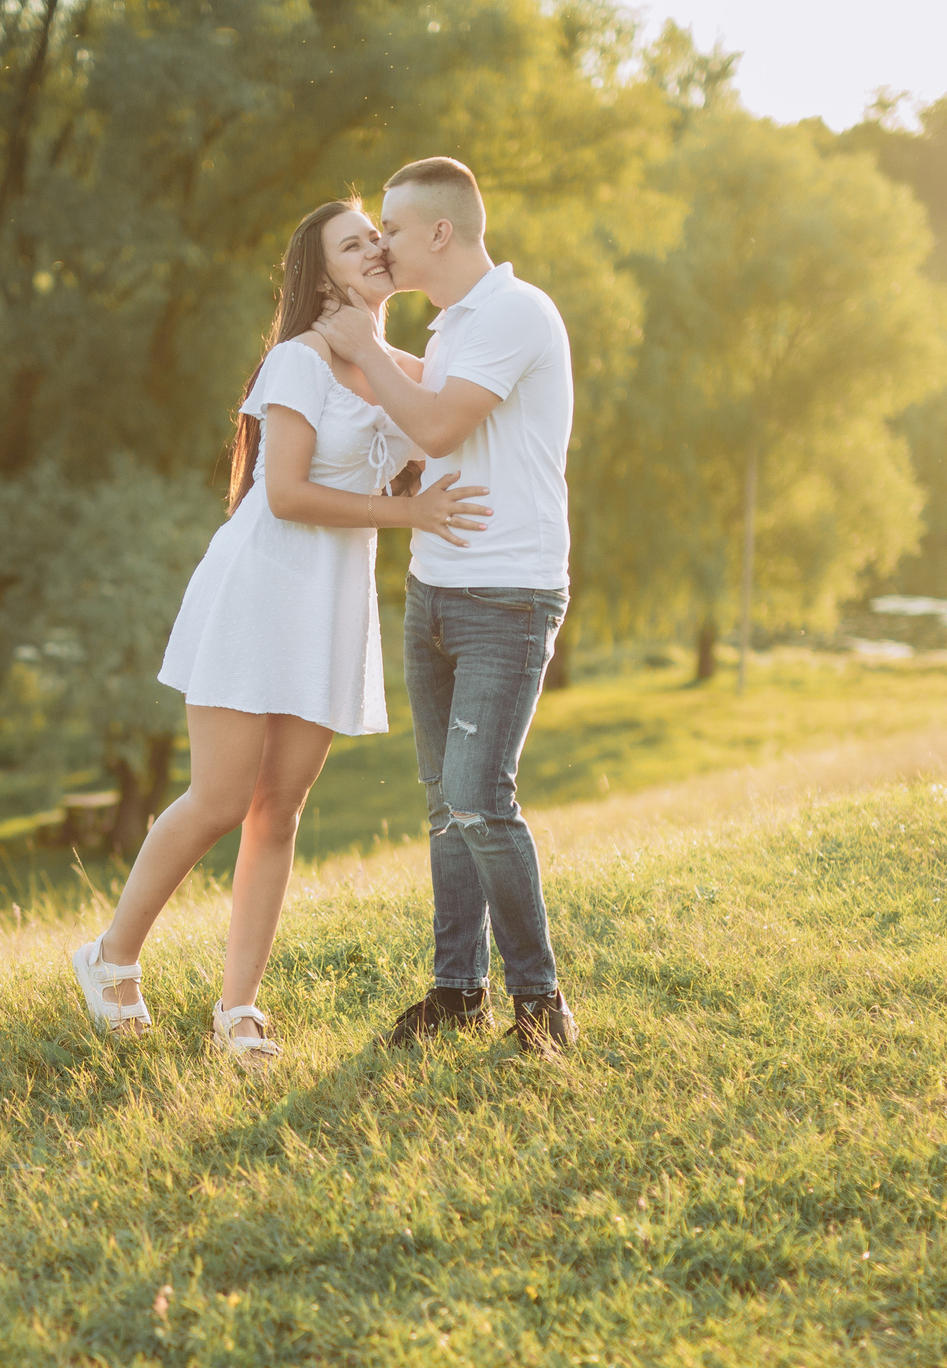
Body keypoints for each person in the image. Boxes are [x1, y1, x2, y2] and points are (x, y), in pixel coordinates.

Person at [69, 196, 491, 1066]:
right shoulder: (296, 363)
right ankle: (110, 958)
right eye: (353, 241)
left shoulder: (387, 362)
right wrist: (407, 510)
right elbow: (288, 493)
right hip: (259, 589)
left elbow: (458, 408)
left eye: (379, 235)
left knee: (280, 810)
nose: (375, 246)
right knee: (222, 798)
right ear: (323, 273)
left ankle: (239, 1010)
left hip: (329, 605)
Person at [316, 157, 579, 1054]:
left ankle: (541, 1003)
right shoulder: (464, 324)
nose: (380, 241)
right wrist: (352, 340)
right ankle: (456, 990)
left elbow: (433, 427)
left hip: (508, 595)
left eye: (389, 227)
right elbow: (429, 382)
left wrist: (359, 348)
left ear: (439, 232)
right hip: (435, 588)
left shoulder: (514, 310)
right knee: (443, 804)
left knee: (478, 796)